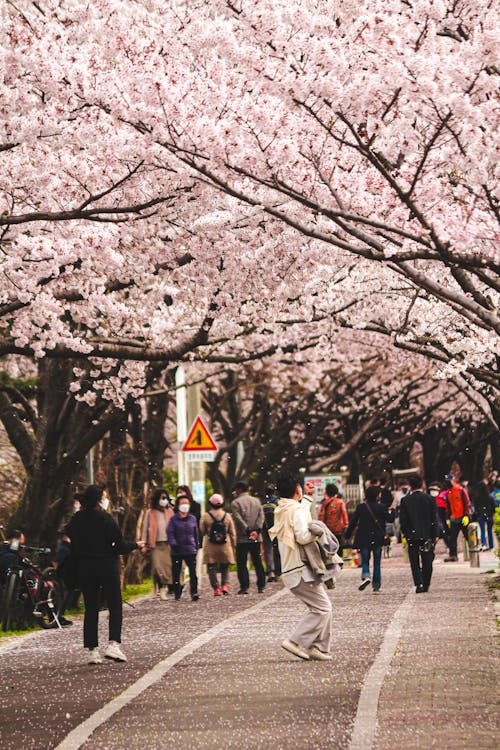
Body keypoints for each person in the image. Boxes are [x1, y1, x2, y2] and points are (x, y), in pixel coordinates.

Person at [65, 485, 145, 664]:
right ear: (99, 500)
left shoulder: (77, 519)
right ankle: (113, 645)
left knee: (91, 608)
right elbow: (120, 546)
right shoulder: (106, 519)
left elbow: (69, 537)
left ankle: (92, 650)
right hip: (107, 566)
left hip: (85, 567)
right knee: (115, 604)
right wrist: (136, 545)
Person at [269, 471, 333, 661]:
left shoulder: (282, 509)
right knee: (323, 608)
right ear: (296, 489)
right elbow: (303, 535)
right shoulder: (294, 510)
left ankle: (317, 647)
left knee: (320, 607)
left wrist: (307, 498)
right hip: (300, 568)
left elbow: (298, 515)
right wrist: (318, 532)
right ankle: (296, 642)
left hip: (291, 568)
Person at [399, 475, 439, 593]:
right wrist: (435, 534)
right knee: (427, 560)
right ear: (422, 484)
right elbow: (434, 518)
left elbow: (403, 520)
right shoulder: (430, 499)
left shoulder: (405, 500)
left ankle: (419, 583)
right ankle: (426, 583)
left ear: (410, 486)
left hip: (412, 535)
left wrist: (406, 534)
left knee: (414, 561)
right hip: (427, 534)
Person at [345, 485, 387, 593]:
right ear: (377, 495)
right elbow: (390, 518)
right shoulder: (381, 507)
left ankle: (366, 576)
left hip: (363, 537)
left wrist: (347, 535)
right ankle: (376, 586)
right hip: (377, 537)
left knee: (365, 561)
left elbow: (353, 522)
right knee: (377, 563)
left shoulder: (361, 507)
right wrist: (393, 512)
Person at [231, 481, 266, 594]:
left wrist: (247, 530)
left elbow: (237, 518)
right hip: (256, 537)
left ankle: (244, 586)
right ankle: (261, 585)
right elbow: (261, 516)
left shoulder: (235, 503)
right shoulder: (256, 501)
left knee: (242, 563)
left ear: (239, 489)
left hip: (242, 538)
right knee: (258, 561)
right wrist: (256, 530)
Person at [199, 493, 236, 596]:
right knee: (225, 567)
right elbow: (232, 532)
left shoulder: (206, 516)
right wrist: (234, 545)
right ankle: (225, 585)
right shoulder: (227, 516)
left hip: (211, 544)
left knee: (212, 567)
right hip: (225, 544)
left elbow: (201, 531)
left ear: (210, 503)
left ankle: (216, 588)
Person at [141, 488, 175, 600]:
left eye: (166, 498)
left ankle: (163, 589)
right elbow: (145, 528)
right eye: (162, 498)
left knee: (166, 568)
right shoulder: (150, 513)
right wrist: (143, 543)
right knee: (157, 567)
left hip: (167, 544)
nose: (164, 500)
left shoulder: (170, 511)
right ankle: (156, 586)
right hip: (155, 544)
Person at [167, 497, 200, 601]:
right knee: (176, 572)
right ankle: (177, 593)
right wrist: (173, 543)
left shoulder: (192, 518)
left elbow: (196, 533)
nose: (185, 505)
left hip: (190, 549)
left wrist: (197, 545)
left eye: (186, 503)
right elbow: (170, 533)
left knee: (193, 573)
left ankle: (194, 592)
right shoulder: (173, 519)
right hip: (177, 549)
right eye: (182, 503)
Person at [444, 475, 471, 562]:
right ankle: (453, 555)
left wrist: (466, 515)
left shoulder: (461, 490)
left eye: (449, 480)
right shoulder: (448, 493)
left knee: (468, 536)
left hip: (462, 517)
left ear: (453, 480)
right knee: (452, 538)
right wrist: (448, 517)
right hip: (453, 519)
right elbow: (448, 506)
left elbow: (467, 503)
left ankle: (473, 553)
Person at [318, 484, 348, 557]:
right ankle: (340, 560)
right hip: (339, 529)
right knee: (339, 544)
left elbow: (321, 516)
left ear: (327, 492)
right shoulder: (340, 502)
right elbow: (344, 514)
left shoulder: (324, 503)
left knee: (330, 546)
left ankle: (332, 560)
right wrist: (346, 524)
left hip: (328, 529)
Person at [261, 486, 281, 582]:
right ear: (275, 492)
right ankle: (278, 572)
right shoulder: (277, 502)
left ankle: (270, 571)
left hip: (265, 529)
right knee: (277, 549)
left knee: (268, 550)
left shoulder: (263, 502)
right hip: (276, 529)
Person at [470, 477, 496, 551]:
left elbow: (475, 507)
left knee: (482, 531)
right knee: (490, 531)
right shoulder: (490, 497)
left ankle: (484, 544)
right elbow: (494, 506)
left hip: (480, 515)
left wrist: (478, 512)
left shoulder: (476, 498)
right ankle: (491, 546)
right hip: (489, 515)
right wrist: (492, 513)